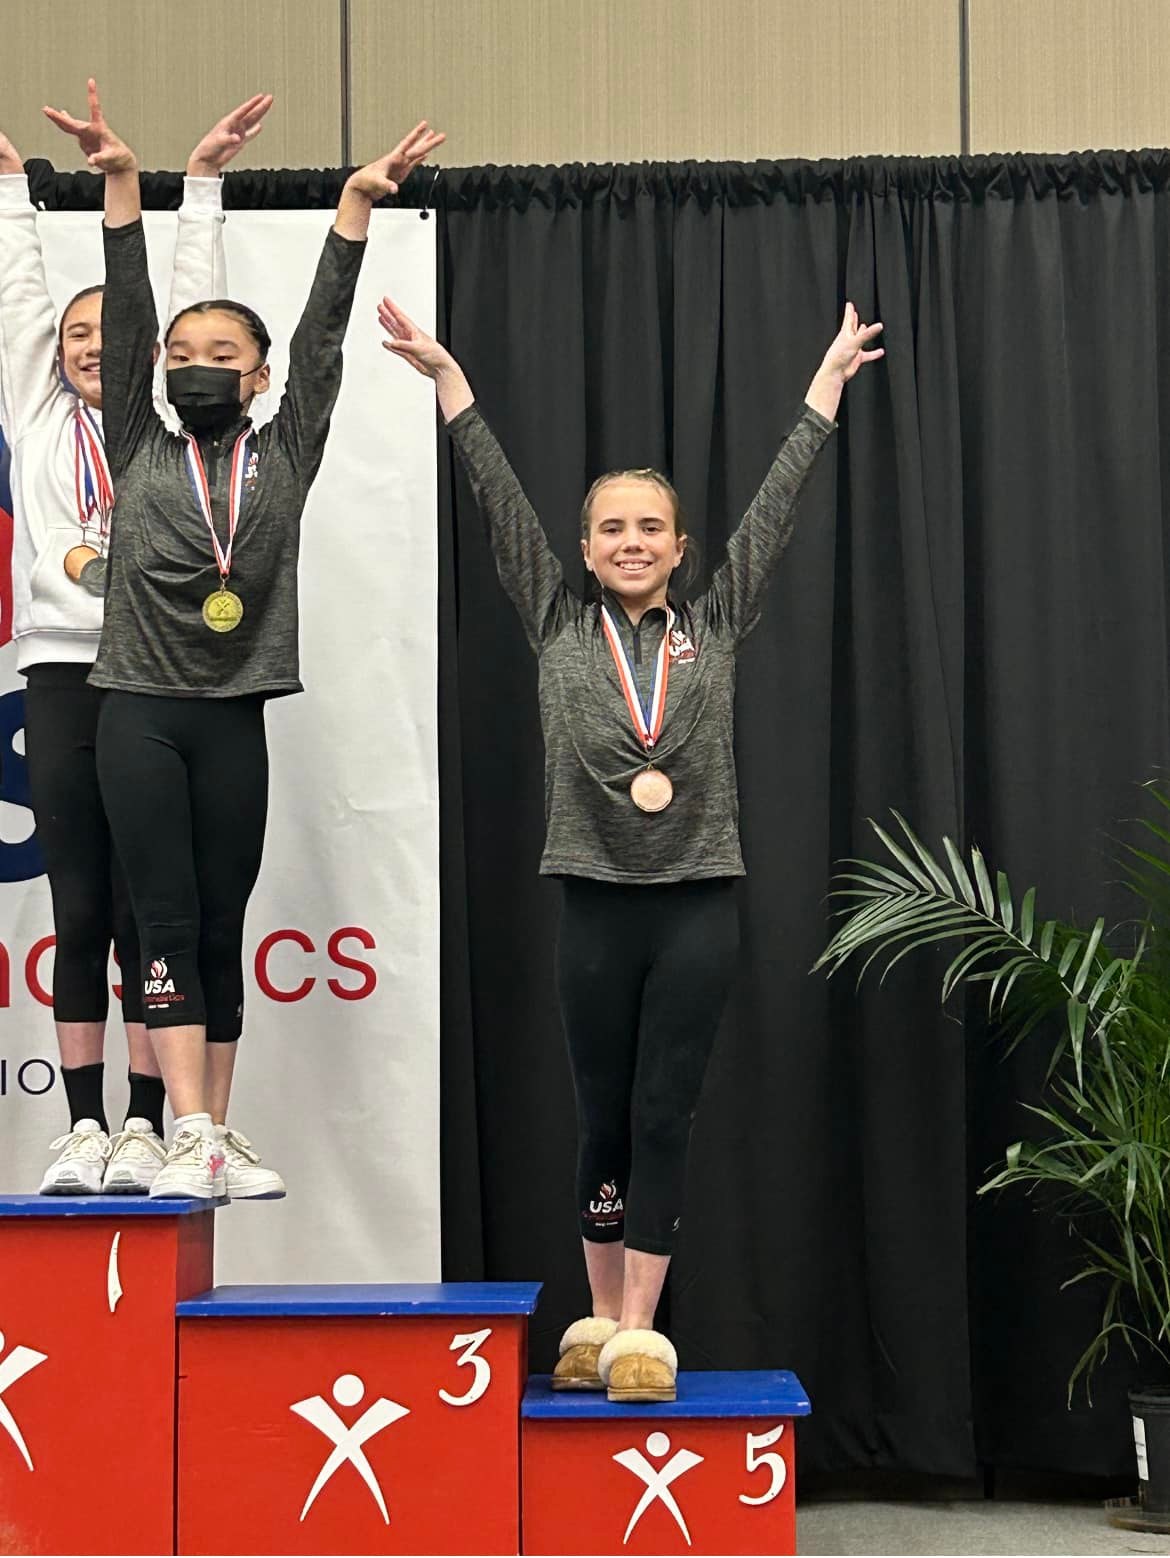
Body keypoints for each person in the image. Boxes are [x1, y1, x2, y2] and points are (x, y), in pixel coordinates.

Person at [379, 293, 883, 1401]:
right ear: (584, 546)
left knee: (664, 1110)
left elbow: (776, 507)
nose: (632, 543)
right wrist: (452, 385)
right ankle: (599, 1319)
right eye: (612, 528)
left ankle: (644, 1327)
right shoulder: (560, 623)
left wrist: (827, 386)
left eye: (650, 528)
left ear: (679, 547)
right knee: (599, 1113)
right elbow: (497, 500)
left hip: (698, 899)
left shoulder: (715, 620)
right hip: (594, 902)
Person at [46, 79, 445, 1199]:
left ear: (256, 377)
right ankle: (179, 1126)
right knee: (161, 916)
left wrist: (355, 212)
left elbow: (325, 341)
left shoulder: (287, 449)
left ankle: (209, 1132)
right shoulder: (139, 440)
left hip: (236, 721)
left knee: (221, 923)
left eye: (220, 350)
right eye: (184, 352)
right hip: (138, 712)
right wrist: (123, 182)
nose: (195, 363)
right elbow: (126, 315)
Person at [0, 93, 271, 1195]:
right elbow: (19, 301)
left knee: (155, 900)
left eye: (107, 332)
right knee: (79, 899)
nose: (84, 346)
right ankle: (83, 1125)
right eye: (71, 335)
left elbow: (181, 300)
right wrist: (12, 197)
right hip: (64, 664)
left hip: (158, 670)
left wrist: (196, 184)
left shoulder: (161, 429)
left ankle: (157, 1121)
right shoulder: (33, 413)